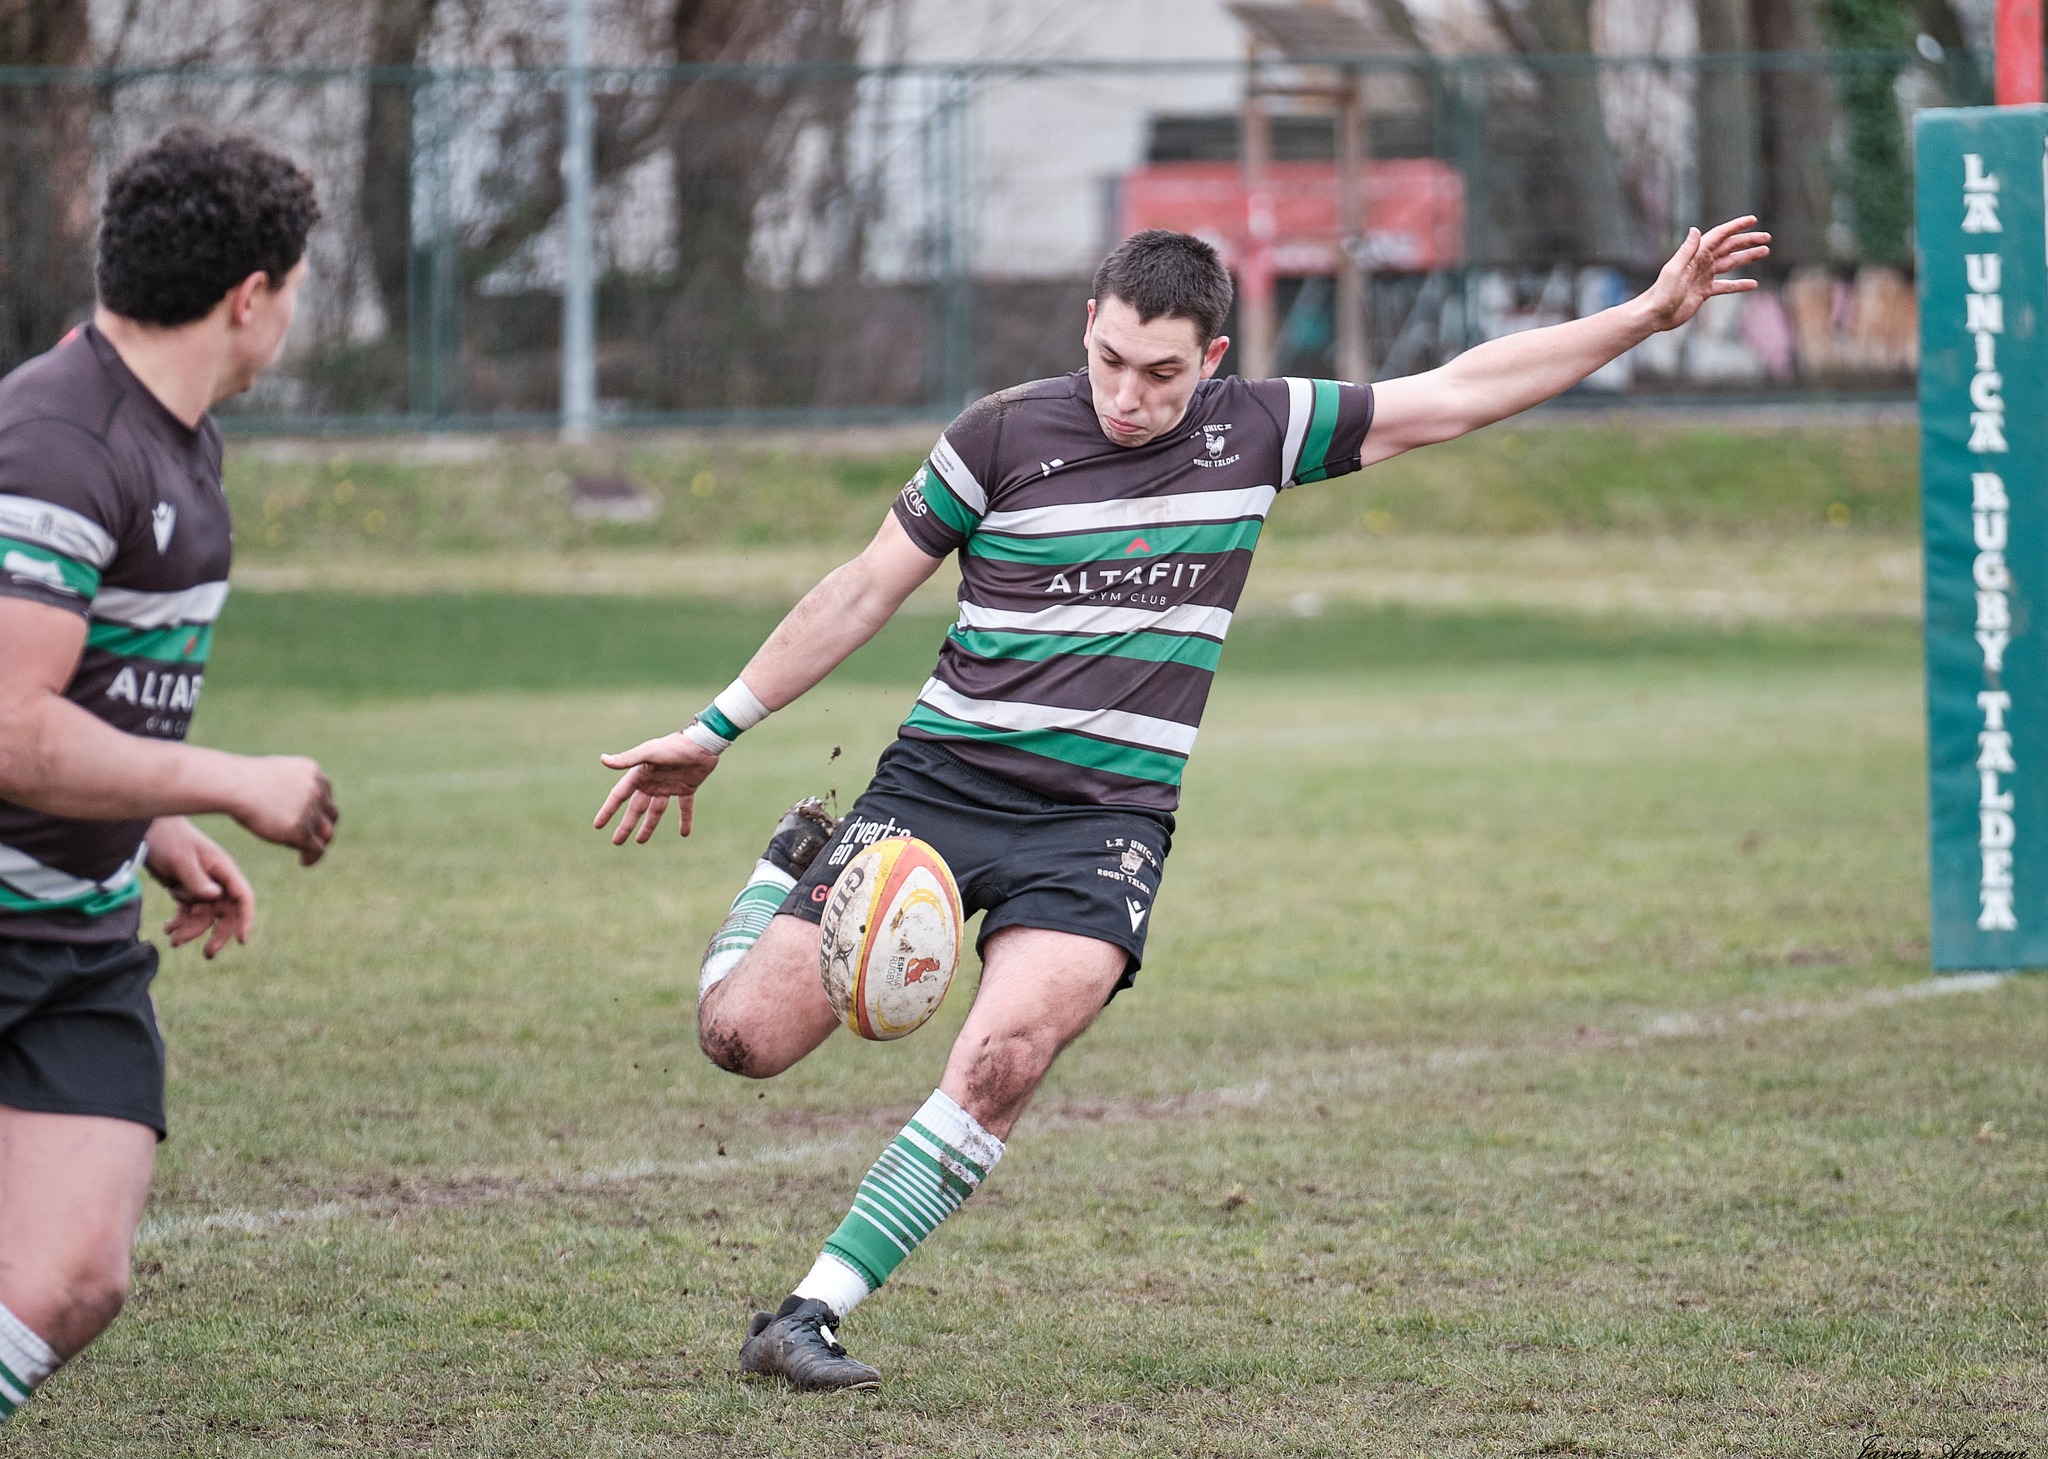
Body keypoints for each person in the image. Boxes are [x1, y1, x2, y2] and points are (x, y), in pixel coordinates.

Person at [594, 219, 1769, 1390]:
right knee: (741, 1042)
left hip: (1100, 825)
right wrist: (713, 729)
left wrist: (1644, 316)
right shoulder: (997, 434)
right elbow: (861, 590)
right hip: (938, 788)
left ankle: (807, 1315)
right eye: (1108, 359)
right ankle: (780, 869)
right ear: (1086, 329)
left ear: (1209, 359)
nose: (1126, 395)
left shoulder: (1258, 428)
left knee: (1005, 1057)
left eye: (1160, 373)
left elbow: (1454, 393)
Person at [0, 124, 339, 1420]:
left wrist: (147, 825)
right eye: (294, 287)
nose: (292, 313)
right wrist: (222, 780)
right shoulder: (57, 442)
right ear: (250, 294)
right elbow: (9, 725)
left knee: (72, 1277)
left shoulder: (182, 441)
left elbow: (83, 700)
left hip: (73, 937)